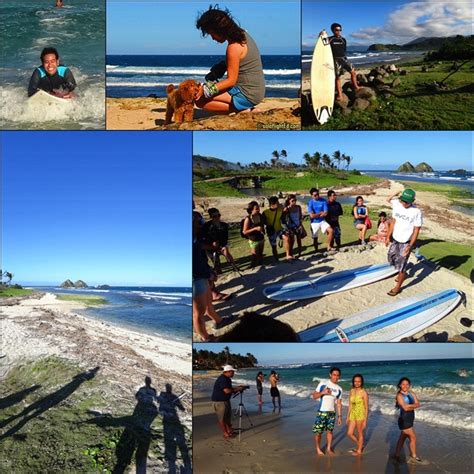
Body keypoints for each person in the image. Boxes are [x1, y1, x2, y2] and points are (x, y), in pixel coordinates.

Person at [195, 6, 265, 114]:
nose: (213, 38)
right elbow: (241, 60)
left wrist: (205, 90)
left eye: (211, 33)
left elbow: (230, 81)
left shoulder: (233, 47)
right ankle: (244, 107)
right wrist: (223, 66)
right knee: (209, 94)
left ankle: (246, 109)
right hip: (257, 91)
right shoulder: (243, 35)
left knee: (199, 101)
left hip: (246, 93)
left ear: (219, 29)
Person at [192, 212, 229, 341]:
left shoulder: (194, 237)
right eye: (198, 223)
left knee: (208, 302)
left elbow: (199, 250)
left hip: (202, 274)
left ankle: (219, 321)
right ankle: (206, 338)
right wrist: (207, 273)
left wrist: (209, 270)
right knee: (198, 312)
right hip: (196, 278)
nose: (200, 227)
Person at [385, 189, 423, 296]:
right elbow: (393, 221)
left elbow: (416, 230)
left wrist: (410, 246)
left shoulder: (416, 212)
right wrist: (388, 236)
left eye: (407, 202)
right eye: (403, 200)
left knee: (401, 266)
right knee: (391, 258)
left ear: (413, 201)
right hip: (395, 239)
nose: (404, 203)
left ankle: (397, 288)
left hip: (406, 242)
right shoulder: (397, 204)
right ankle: (403, 272)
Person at [312, 367, 343, 456]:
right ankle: (318, 449)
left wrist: (340, 416)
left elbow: (339, 403)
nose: (336, 377)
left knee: (330, 432)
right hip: (322, 412)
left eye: (337, 375)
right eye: (334, 375)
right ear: (330, 374)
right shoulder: (323, 383)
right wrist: (323, 393)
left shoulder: (339, 389)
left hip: (332, 413)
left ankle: (329, 448)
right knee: (318, 433)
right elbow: (314, 396)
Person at [211, 365, 247, 439]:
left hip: (225, 401)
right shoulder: (223, 379)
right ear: (228, 372)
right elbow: (227, 391)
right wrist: (238, 389)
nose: (233, 373)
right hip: (220, 402)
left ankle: (229, 430)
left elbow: (229, 389)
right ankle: (226, 433)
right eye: (232, 372)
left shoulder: (227, 379)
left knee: (227, 418)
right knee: (222, 419)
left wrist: (238, 388)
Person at [327, 23, 360, 101]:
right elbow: (321, 44)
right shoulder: (330, 39)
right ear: (332, 30)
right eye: (337, 30)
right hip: (336, 60)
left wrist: (344, 57)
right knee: (338, 77)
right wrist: (320, 34)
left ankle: (356, 87)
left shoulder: (343, 39)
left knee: (353, 72)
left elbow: (344, 50)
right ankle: (339, 94)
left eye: (340, 30)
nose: (339, 31)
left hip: (344, 59)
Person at [394, 377, 423, 464]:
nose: (405, 386)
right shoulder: (399, 395)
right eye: (403, 384)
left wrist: (409, 405)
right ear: (400, 385)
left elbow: (418, 404)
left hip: (410, 418)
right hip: (403, 419)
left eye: (407, 384)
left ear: (409, 385)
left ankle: (397, 455)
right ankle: (413, 456)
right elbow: (405, 408)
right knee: (413, 437)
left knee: (402, 438)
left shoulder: (412, 394)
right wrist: (412, 405)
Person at [202, 208, 234, 274]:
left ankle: (234, 267)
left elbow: (225, 238)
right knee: (217, 264)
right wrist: (211, 244)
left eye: (218, 215)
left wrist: (221, 246)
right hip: (210, 247)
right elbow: (203, 238)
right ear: (211, 217)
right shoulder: (206, 226)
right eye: (214, 216)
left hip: (221, 245)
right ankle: (219, 274)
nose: (217, 217)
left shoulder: (224, 225)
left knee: (226, 251)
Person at [346, 374, 369, 456]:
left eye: (359, 381)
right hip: (353, 413)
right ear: (353, 382)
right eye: (355, 381)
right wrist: (348, 416)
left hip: (360, 414)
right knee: (349, 433)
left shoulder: (364, 392)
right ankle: (360, 445)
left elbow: (366, 407)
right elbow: (350, 405)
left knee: (360, 433)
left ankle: (359, 451)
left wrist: (365, 420)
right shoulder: (351, 391)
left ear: (361, 382)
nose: (357, 383)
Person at [242, 201, 265, 268]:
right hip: (253, 240)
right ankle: (252, 268)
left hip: (261, 238)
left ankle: (260, 267)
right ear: (251, 210)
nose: (258, 210)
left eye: (258, 208)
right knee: (255, 256)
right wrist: (255, 229)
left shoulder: (260, 216)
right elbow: (244, 232)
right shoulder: (248, 219)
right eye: (256, 209)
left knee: (260, 255)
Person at [282, 194, 305, 259]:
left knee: (299, 240)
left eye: (295, 200)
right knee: (291, 241)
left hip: (298, 225)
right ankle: (291, 254)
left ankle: (300, 254)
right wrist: (284, 211)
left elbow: (300, 216)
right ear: (289, 201)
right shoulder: (287, 208)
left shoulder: (298, 207)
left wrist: (300, 224)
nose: (294, 202)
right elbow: (284, 218)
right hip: (291, 227)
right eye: (292, 201)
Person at [262, 196, 284, 261]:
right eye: (277, 202)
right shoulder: (265, 212)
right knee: (274, 246)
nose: (279, 203)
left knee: (287, 238)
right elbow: (263, 222)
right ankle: (276, 258)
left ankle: (288, 254)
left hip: (280, 230)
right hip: (271, 232)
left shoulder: (280, 210)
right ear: (272, 204)